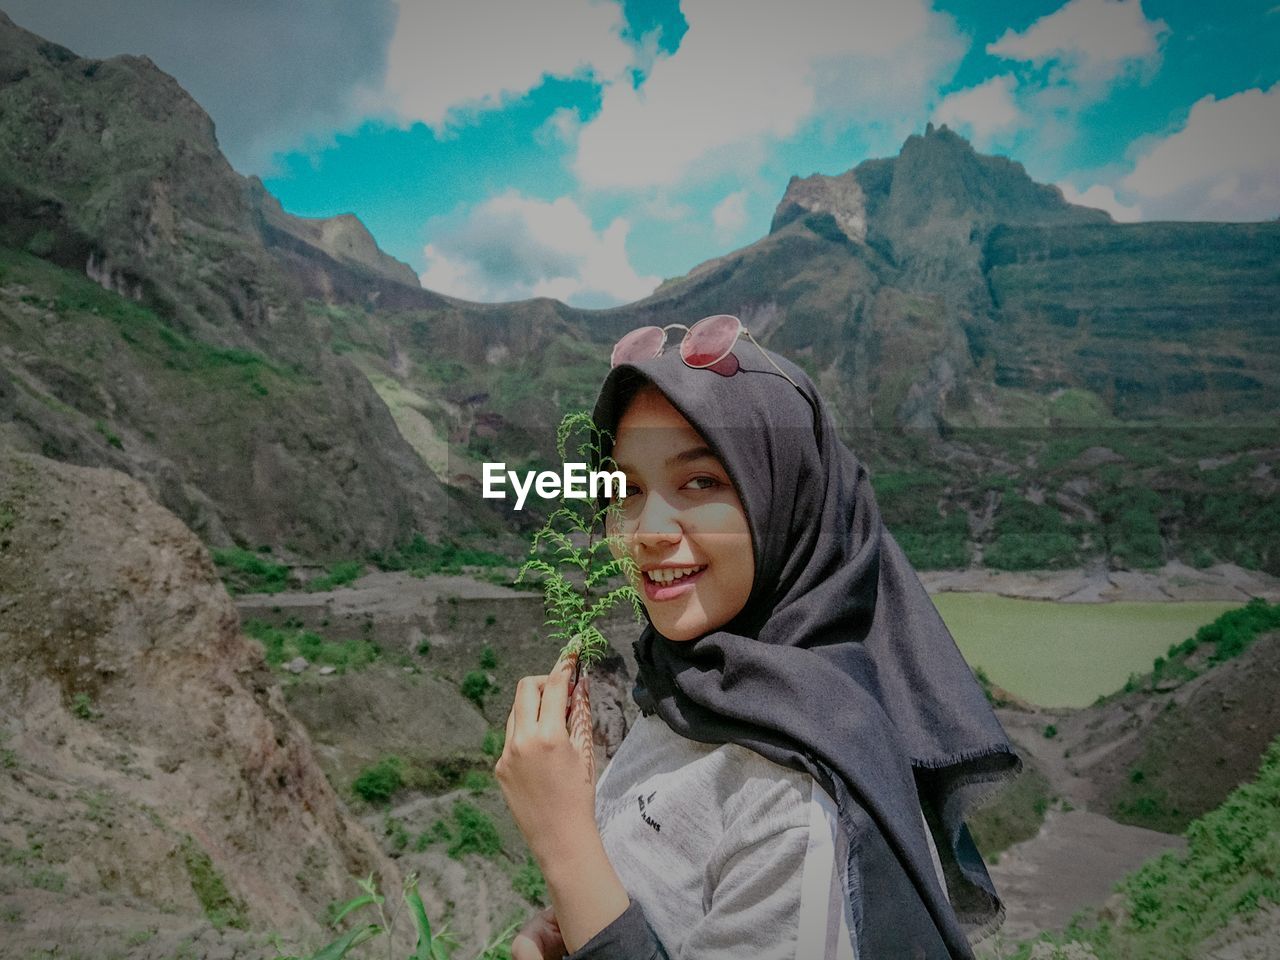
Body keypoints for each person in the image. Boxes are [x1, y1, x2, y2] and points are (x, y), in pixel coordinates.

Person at [496, 316, 1022, 959]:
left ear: (788, 501)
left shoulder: (798, 801)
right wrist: (578, 920)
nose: (647, 529)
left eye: (701, 481)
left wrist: (563, 846)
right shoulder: (692, 689)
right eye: (627, 489)